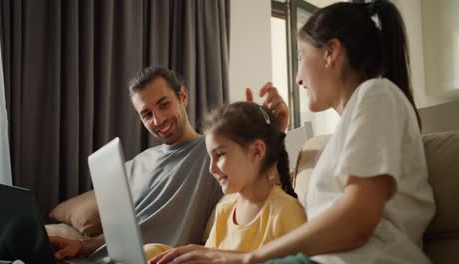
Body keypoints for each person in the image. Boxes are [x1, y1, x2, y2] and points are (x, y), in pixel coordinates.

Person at [150, 1, 435, 263]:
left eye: (300, 56)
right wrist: (218, 254)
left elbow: (358, 221)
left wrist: (246, 259)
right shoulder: (350, 128)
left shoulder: (378, 95)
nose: (298, 77)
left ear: (331, 52)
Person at [49, 66, 224, 260]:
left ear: (183, 96)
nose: (158, 120)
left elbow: (256, 159)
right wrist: (80, 245)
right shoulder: (137, 164)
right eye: (147, 114)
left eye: (164, 105)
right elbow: (124, 234)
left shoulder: (212, 151)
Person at [144, 101, 306, 259]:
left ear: (257, 151)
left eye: (220, 155)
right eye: (210, 158)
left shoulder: (285, 212)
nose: (211, 169)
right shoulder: (225, 211)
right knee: (150, 251)